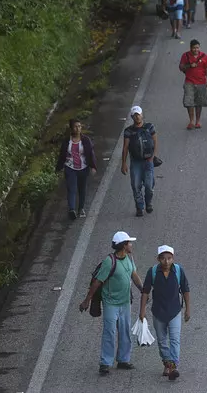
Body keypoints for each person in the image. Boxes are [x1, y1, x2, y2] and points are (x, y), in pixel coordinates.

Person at [79, 231, 143, 376]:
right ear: (123, 246)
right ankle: (105, 363)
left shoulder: (129, 258)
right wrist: (87, 300)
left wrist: (143, 290)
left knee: (125, 331)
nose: (131, 245)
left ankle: (123, 360)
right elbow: (97, 282)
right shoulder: (109, 262)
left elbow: (134, 275)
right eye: (129, 243)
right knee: (109, 332)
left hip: (125, 302)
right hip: (111, 304)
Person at [140, 245, 191, 381]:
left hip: (174, 311)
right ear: (158, 259)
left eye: (169, 258)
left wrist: (188, 309)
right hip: (158, 312)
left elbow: (185, 290)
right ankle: (167, 363)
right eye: (163, 259)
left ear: (173, 259)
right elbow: (145, 291)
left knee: (174, 340)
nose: (166, 262)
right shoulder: (153, 272)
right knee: (162, 342)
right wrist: (142, 310)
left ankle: (173, 367)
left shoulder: (179, 271)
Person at [55, 119, 97, 220]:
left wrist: (93, 166)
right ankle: (72, 209)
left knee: (82, 189)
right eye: (75, 126)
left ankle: (81, 208)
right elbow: (62, 155)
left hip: (83, 167)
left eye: (79, 126)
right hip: (70, 167)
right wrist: (59, 168)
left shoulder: (85, 140)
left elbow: (90, 154)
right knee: (71, 189)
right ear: (71, 128)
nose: (78, 128)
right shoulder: (66, 142)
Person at [121, 106, 158, 217]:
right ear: (132, 117)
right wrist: (123, 163)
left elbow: (155, 142)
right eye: (135, 115)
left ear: (142, 114)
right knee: (136, 185)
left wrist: (153, 157)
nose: (137, 117)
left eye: (139, 114)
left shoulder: (149, 127)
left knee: (149, 185)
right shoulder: (128, 131)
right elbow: (125, 147)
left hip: (148, 160)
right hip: (136, 162)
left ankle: (148, 203)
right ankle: (139, 206)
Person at [178, 39, 207, 130]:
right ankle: (191, 120)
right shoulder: (185, 56)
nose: (196, 49)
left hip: (201, 82)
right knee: (189, 101)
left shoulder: (204, 57)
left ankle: (198, 121)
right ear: (190, 48)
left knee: (199, 102)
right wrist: (189, 66)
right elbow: (181, 67)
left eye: (197, 48)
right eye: (194, 48)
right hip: (189, 81)